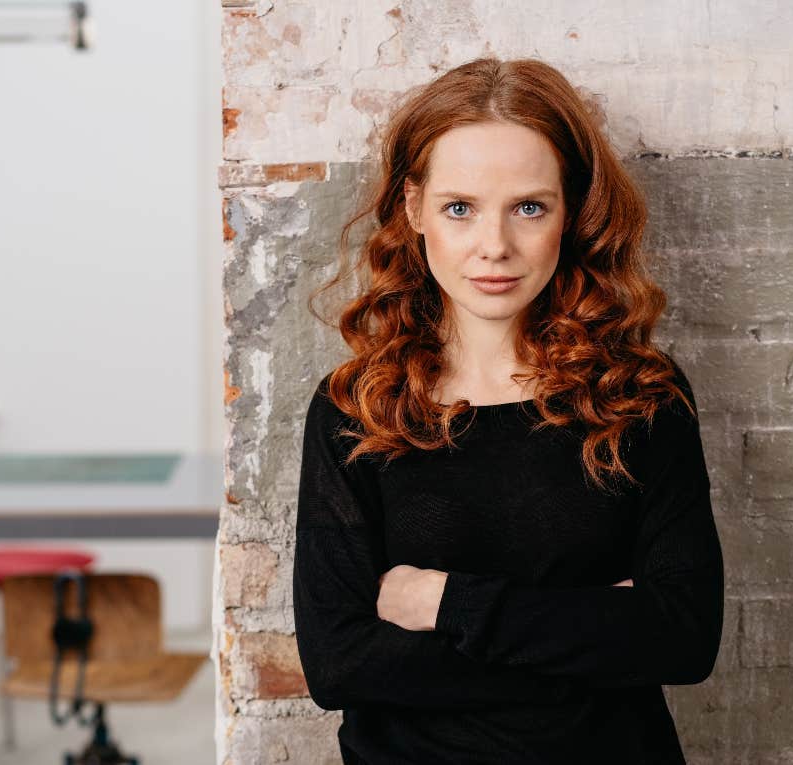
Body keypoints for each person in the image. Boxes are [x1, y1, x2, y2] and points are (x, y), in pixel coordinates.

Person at [292, 56, 725, 764]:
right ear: (414, 209)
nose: (494, 246)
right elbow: (339, 664)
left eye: (529, 207)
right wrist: (592, 635)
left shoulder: (640, 395)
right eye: (459, 207)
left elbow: (683, 637)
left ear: (570, 209)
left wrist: (446, 605)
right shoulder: (357, 408)